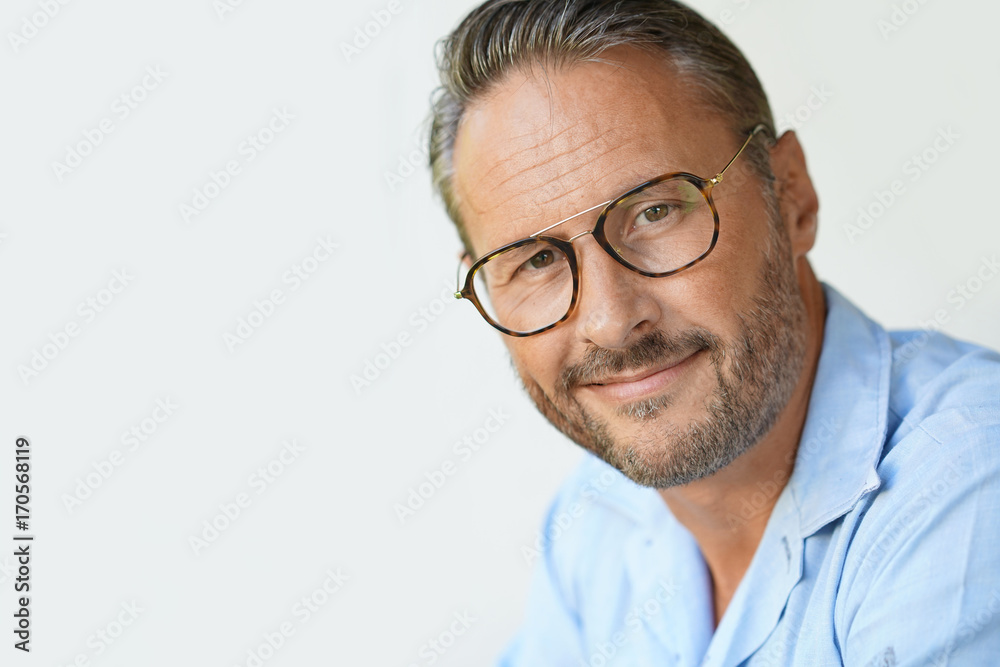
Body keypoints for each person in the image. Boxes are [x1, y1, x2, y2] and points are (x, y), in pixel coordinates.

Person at [427, 1, 1000, 664]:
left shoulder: (968, 483)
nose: (611, 322)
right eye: (537, 260)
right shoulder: (595, 520)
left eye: (656, 210)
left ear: (791, 197)